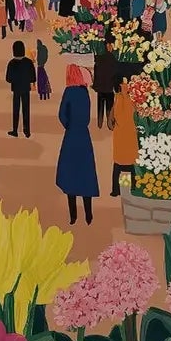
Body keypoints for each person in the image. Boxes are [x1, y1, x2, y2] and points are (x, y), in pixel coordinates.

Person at [55, 65, 99, 224]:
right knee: (85, 174)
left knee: (71, 175)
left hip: (71, 135)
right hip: (84, 135)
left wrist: (69, 125)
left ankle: (73, 215)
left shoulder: (69, 92)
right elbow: (87, 116)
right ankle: (89, 214)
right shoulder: (84, 92)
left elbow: (61, 114)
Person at [110, 85, 138, 197]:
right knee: (132, 163)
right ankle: (134, 187)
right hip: (130, 133)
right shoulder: (131, 100)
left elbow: (112, 117)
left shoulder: (118, 99)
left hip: (119, 135)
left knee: (117, 164)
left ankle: (115, 190)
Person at [5, 39, 37, 137]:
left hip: (16, 89)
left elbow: (8, 79)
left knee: (16, 109)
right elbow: (33, 77)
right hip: (26, 88)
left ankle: (15, 130)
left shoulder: (11, 63)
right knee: (26, 110)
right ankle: (27, 131)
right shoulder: (28, 62)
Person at [91, 33, 119, 128]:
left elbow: (96, 73)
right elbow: (115, 74)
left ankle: (99, 123)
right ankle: (110, 124)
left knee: (100, 106)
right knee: (109, 107)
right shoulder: (114, 59)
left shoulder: (99, 58)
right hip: (109, 87)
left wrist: (95, 85)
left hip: (100, 87)